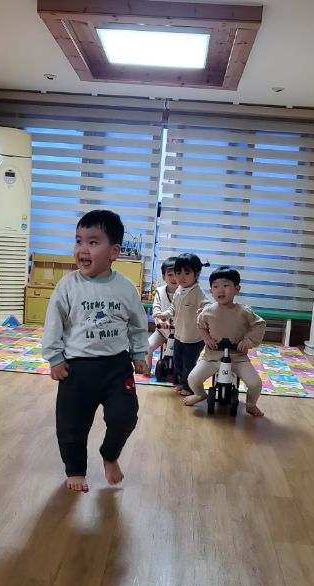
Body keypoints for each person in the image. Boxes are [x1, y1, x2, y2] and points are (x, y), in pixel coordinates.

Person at [42, 209, 150, 492]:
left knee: (125, 416)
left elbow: (138, 324)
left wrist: (140, 353)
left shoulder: (125, 287)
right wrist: (54, 357)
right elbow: (53, 323)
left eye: (93, 242)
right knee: (71, 425)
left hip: (116, 366)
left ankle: (109, 454)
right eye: (78, 241)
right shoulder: (68, 286)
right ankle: (76, 469)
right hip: (77, 369)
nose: (83, 249)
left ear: (114, 251)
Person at [183, 266, 266, 416]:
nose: (220, 290)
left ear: (237, 289)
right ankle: (200, 394)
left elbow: (259, 324)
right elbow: (201, 326)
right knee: (193, 379)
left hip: (238, 357)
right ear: (211, 290)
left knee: (255, 383)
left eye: (226, 285)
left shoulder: (244, 311)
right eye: (215, 286)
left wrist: (248, 341)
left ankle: (251, 404)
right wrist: (207, 339)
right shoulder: (207, 311)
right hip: (212, 356)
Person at [155, 252, 209, 394]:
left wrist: (204, 311)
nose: (181, 277)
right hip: (179, 334)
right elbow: (173, 307)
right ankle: (180, 382)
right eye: (178, 273)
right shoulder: (180, 289)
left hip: (193, 338)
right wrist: (165, 314)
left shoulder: (197, 292)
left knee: (188, 364)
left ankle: (188, 387)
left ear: (197, 274)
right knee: (178, 361)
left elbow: (208, 306)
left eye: (187, 273)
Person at [145, 257, 178, 373]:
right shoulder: (160, 291)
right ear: (164, 277)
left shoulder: (184, 293)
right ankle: (147, 368)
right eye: (170, 275)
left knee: (180, 355)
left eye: (177, 274)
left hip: (179, 334)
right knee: (147, 347)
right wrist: (160, 322)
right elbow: (156, 309)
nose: (174, 278)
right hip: (162, 331)